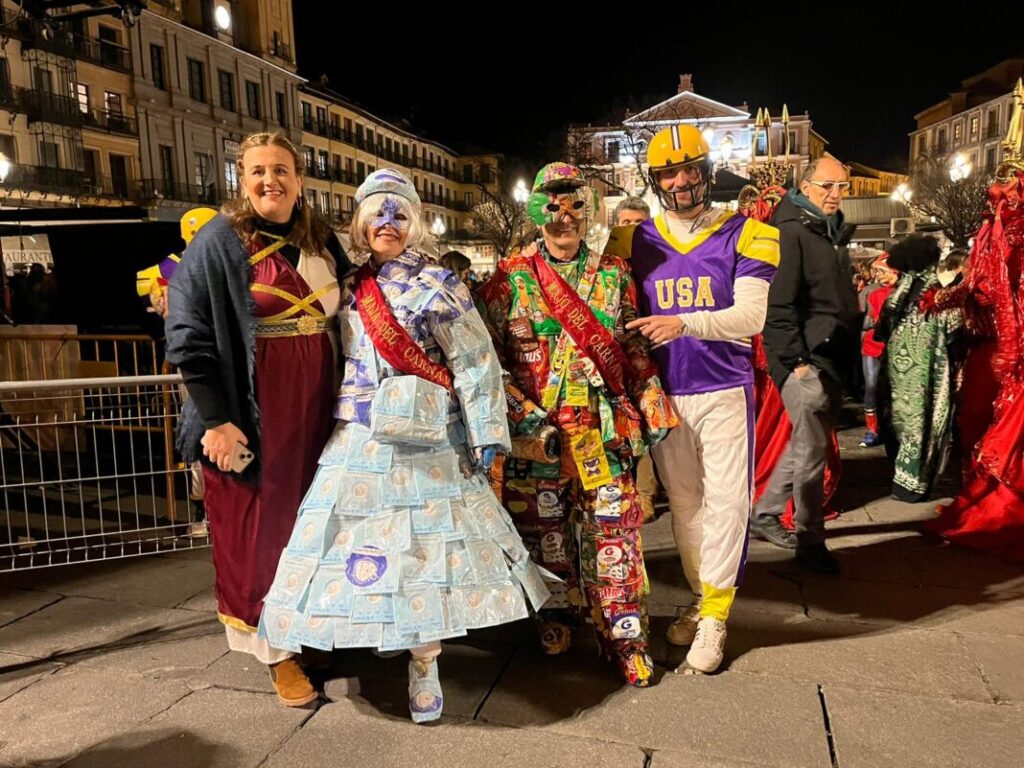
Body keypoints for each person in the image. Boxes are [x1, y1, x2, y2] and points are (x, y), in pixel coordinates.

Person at [259, 169, 549, 723]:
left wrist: (487, 431)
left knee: (423, 556)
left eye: (398, 214)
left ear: (413, 223)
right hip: (360, 439)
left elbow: (475, 359)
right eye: (377, 214)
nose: (387, 224)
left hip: (426, 441)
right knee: (359, 547)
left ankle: (425, 663)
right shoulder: (350, 287)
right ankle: (385, 634)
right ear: (362, 223)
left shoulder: (440, 284)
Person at [478, 161, 677, 687]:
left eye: (574, 206)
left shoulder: (614, 274)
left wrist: (651, 399)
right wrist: (523, 419)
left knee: (615, 533)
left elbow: (632, 344)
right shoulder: (509, 277)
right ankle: (556, 616)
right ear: (536, 211)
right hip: (538, 438)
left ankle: (626, 636)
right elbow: (487, 361)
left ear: (588, 212)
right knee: (543, 533)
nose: (563, 218)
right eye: (553, 206)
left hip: (601, 431)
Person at [166, 132, 346, 708]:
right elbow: (188, 335)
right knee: (258, 529)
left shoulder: (320, 238)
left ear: (299, 178)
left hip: (321, 405)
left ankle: (309, 628)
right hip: (255, 409)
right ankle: (276, 651)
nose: (271, 180)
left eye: (282, 170)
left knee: (315, 521)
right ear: (241, 180)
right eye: (258, 171)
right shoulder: (218, 241)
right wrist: (217, 420)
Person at [610, 124, 780, 674]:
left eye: (688, 170)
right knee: (685, 506)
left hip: (724, 386)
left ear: (705, 171)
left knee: (728, 503)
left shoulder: (748, 232)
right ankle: (703, 598)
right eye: (668, 173)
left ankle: (716, 615)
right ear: (655, 180)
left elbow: (750, 316)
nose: (680, 182)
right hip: (664, 393)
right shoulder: (632, 240)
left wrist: (684, 322)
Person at [751, 155, 859, 576]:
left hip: (830, 356)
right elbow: (777, 305)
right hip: (807, 360)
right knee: (812, 453)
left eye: (842, 186)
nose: (835, 194)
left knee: (807, 445)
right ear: (806, 186)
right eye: (827, 186)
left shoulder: (828, 230)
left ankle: (764, 512)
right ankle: (810, 539)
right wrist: (796, 363)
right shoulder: (792, 230)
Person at [923, 117, 1024, 562]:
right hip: (993, 353)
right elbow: (981, 288)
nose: (1003, 202)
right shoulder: (990, 239)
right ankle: (977, 494)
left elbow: (992, 291)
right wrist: (943, 298)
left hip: (1007, 355)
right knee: (978, 423)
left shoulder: (1007, 237)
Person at [881, 235, 962, 501]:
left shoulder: (897, 297)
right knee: (924, 423)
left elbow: (882, 331)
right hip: (927, 370)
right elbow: (955, 333)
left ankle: (901, 479)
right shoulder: (938, 294)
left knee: (900, 423)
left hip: (897, 370)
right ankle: (914, 483)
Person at [859, 253, 899, 448]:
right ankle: (872, 429)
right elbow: (860, 318)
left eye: (882, 271)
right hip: (871, 346)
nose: (878, 275)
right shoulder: (869, 291)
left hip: (894, 347)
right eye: (876, 271)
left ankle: (891, 427)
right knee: (871, 386)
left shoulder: (903, 292)